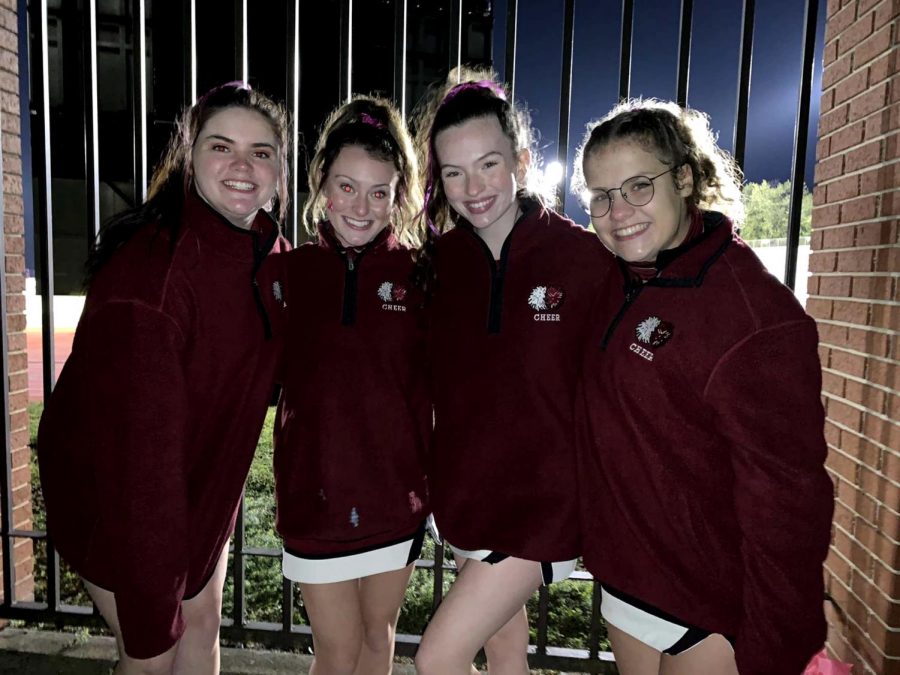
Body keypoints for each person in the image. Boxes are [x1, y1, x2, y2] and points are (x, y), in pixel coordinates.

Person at [571, 98, 833, 675]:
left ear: (684, 178)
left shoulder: (753, 315)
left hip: (709, 607)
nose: (619, 212)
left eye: (638, 186)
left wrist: (773, 648)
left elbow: (790, 506)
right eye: (601, 196)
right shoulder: (621, 277)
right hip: (627, 579)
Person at [36, 82, 291, 675]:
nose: (241, 166)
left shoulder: (267, 250)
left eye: (261, 152)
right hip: (117, 498)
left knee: (201, 627)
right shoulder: (150, 281)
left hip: (201, 487)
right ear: (189, 153)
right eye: (221, 146)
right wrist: (152, 616)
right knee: (154, 654)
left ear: (281, 168)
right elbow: (138, 466)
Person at [411, 69, 613, 675]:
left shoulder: (583, 258)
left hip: (545, 508)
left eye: (489, 164)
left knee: (437, 658)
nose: (473, 187)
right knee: (504, 653)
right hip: (469, 499)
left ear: (521, 160)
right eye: (453, 172)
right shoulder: (438, 265)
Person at [273, 95, 428, 675]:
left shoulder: (421, 275)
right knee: (336, 653)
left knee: (376, 638)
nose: (361, 207)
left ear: (397, 195)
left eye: (379, 192)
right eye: (346, 187)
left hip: (396, 497)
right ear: (321, 183)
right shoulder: (290, 270)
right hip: (317, 495)